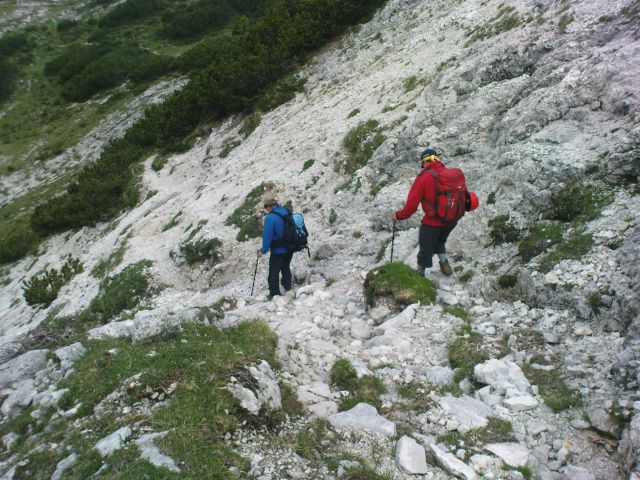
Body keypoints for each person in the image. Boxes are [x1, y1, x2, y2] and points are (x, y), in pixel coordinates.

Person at [391, 148, 459, 278]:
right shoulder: (449, 173)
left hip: (433, 222)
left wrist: (398, 215)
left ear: (425, 162)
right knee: (440, 241)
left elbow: (411, 206)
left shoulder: (424, 177)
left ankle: (419, 276)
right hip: (452, 219)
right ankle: (445, 264)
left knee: (425, 249)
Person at [257, 195, 293, 297]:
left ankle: (274, 295)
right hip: (290, 247)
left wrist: (262, 251)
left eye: (265, 207)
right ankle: (288, 287)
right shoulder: (286, 211)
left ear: (268, 206)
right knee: (285, 267)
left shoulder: (270, 218)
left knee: (273, 272)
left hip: (278, 251)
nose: (266, 210)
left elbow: (267, 238)